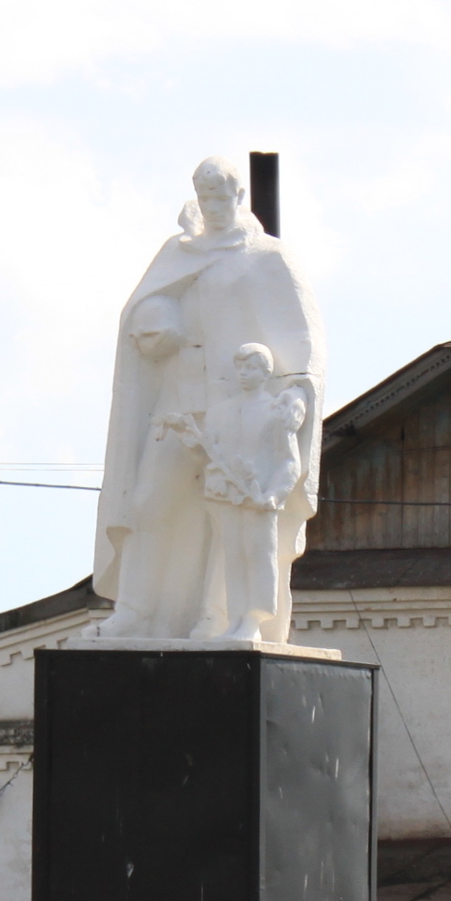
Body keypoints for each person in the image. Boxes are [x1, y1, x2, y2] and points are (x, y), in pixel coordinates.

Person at [92, 157, 324, 644]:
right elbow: (140, 311)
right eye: (205, 198)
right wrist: (153, 320)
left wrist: (299, 395)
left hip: (239, 409)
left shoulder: (266, 258)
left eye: (222, 198)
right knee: (151, 501)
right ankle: (137, 609)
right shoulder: (178, 253)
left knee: (231, 512)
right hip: (179, 406)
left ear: (239, 199)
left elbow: (302, 344)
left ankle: (217, 617)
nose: (213, 207)